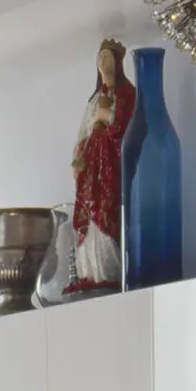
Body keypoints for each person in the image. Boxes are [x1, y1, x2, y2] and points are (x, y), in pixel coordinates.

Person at [68, 37, 134, 292]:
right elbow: (82, 132)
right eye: (100, 57)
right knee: (88, 213)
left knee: (107, 211)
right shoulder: (94, 100)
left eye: (107, 57)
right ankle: (89, 271)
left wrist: (106, 129)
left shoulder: (125, 94)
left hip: (109, 164)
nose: (102, 62)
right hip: (91, 167)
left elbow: (122, 127)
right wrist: (78, 159)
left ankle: (109, 267)